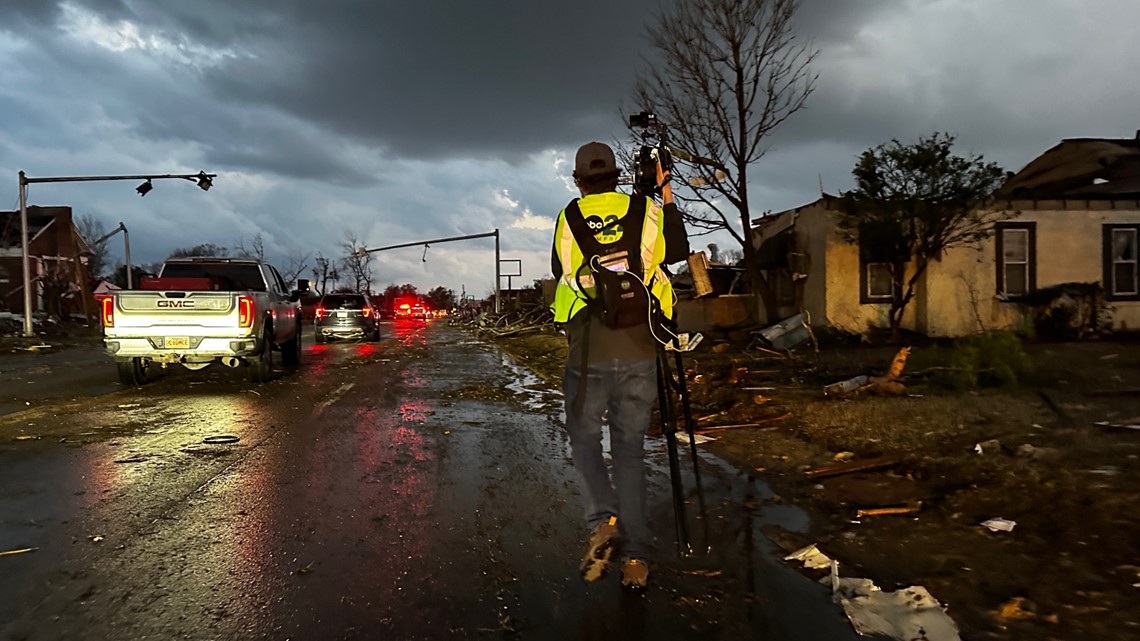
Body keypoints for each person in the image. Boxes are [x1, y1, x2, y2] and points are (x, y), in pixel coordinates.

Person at [550, 141, 689, 591]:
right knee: (629, 452)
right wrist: (664, 191)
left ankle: (603, 519)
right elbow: (677, 250)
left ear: (578, 181)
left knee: (584, 438)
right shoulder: (647, 211)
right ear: (617, 176)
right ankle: (636, 561)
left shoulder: (569, 217)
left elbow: (559, 269)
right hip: (640, 346)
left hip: (589, 347)